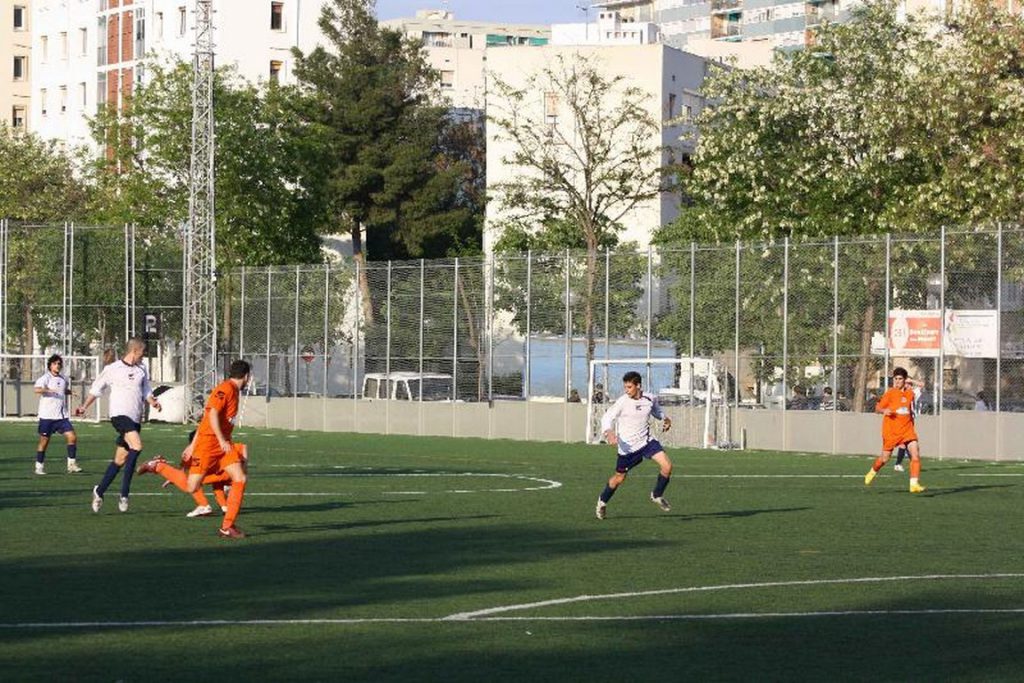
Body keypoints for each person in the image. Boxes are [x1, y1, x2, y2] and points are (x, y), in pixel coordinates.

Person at [139, 359, 251, 538]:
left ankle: (227, 526)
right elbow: (212, 413)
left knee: (240, 478)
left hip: (222, 446)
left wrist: (203, 443)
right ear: (246, 376)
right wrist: (207, 442)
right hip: (209, 445)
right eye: (248, 378)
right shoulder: (225, 389)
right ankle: (158, 466)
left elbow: (206, 419)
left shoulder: (234, 391)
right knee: (192, 487)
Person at [75, 338, 161, 513]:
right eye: (142, 353)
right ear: (134, 351)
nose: (143, 357)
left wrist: (152, 401)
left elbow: (145, 390)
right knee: (137, 446)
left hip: (135, 419)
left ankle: (99, 491)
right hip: (119, 416)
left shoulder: (141, 369)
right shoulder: (112, 369)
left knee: (120, 459)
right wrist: (84, 406)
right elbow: (96, 389)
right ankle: (124, 494)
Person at [594, 370, 674, 520]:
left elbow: (656, 410)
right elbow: (607, 417)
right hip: (628, 448)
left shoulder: (650, 398)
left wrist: (665, 419)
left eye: (629, 387)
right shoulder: (622, 402)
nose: (627, 390)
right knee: (619, 478)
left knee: (667, 466)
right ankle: (602, 502)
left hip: (647, 442)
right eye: (625, 387)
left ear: (638, 385)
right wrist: (608, 432)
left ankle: (656, 495)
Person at [137, 429, 237, 518]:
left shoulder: (200, 451)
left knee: (192, 482)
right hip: (227, 475)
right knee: (201, 480)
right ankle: (223, 507)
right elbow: (183, 470)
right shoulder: (209, 448)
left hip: (226, 475)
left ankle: (158, 466)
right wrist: (173, 477)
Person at [864, 367, 925, 493]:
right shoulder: (890, 393)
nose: (897, 381)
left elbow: (921, 385)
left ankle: (914, 484)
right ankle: (872, 471)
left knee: (915, 454)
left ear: (904, 380)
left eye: (900, 379)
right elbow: (877, 408)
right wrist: (884, 410)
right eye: (895, 379)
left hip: (907, 430)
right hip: (891, 431)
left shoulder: (910, 393)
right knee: (885, 459)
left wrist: (910, 381)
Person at [32, 354, 81, 475]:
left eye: (59, 364)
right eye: (55, 363)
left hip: (61, 417)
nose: (57, 366)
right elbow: (36, 389)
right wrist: (48, 390)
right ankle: (39, 466)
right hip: (47, 416)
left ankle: (71, 464)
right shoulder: (45, 378)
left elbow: (62, 390)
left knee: (72, 437)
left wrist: (71, 392)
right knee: (44, 441)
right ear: (50, 365)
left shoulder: (63, 379)